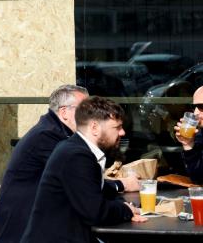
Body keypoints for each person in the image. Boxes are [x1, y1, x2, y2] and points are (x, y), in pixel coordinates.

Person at [21, 96, 146, 243]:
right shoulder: (76, 156)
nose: (122, 132)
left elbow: (93, 190)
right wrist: (126, 210)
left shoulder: (77, 149)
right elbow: (95, 212)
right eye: (117, 127)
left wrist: (121, 202)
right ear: (94, 128)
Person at [0, 84, 89, 243]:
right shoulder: (47, 136)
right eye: (85, 109)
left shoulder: (55, 132)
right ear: (64, 112)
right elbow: (77, 179)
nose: (90, 115)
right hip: (20, 230)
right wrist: (120, 185)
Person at [174, 85, 203, 183]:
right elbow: (198, 179)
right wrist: (188, 144)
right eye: (194, 106)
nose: (195, 112)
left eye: (201, 107)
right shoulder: (199, 135)